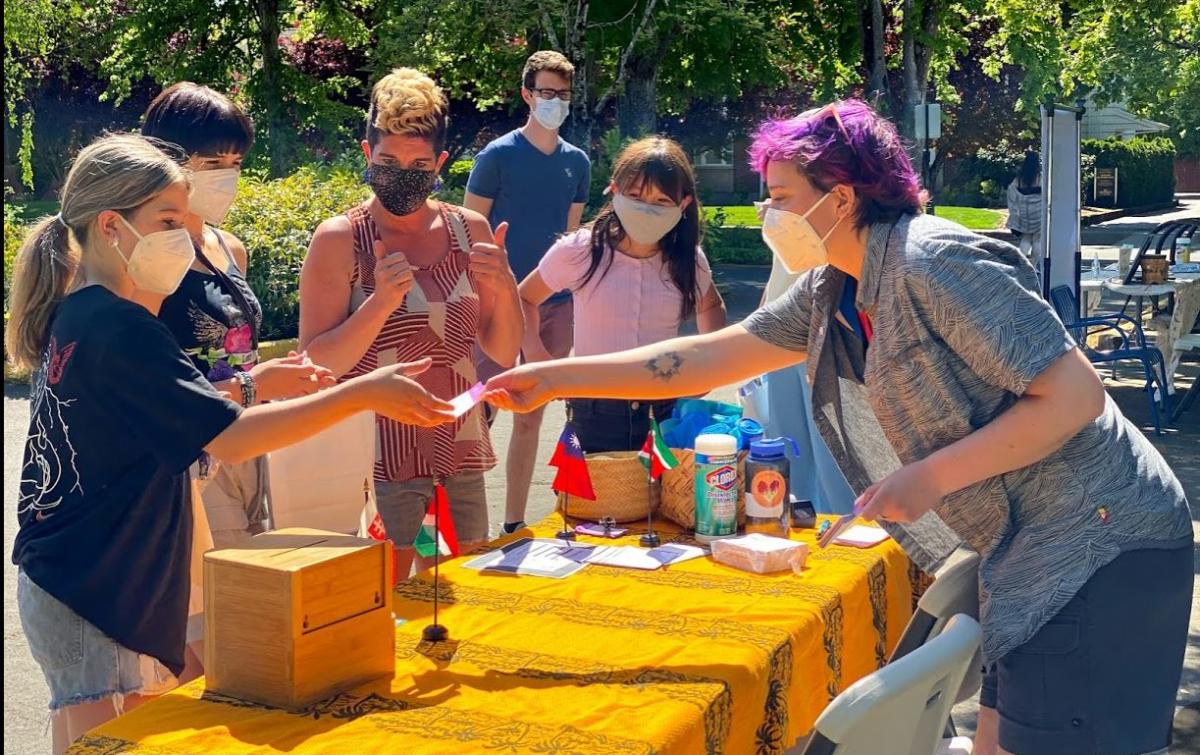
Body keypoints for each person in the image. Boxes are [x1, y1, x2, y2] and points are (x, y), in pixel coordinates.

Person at [483, 101, 1192, 755]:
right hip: (1027, 556)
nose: (768, 212)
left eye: (782, 197)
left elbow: (1075, 396)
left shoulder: (937, 260)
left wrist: (929, 476)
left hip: (1102, 544)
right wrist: (555, 376)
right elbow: (706, 357)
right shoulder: (833, 288)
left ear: (842, 198)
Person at [6, 133, 454, 753]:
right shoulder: (121, 324)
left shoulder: (88, 312)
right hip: (94, 586)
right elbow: (233, 440)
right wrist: (359, 394)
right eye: (167, 221)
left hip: (85, 578)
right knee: (108, 739)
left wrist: (255, 382)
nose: (184, 238)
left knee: (96, 737)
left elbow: (170, 412)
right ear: (111, 226)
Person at [300, 68, 522, 580]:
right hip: (376, 453)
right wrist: (380, 302)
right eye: (389, 161)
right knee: (389, 600)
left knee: (460, 594)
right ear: (367, 155)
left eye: (420, 163)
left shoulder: (471, 230)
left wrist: (506, 286)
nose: (404, 173)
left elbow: (501, 351)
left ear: (441, 162)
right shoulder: (340, 239)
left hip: (458, 441)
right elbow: (315, 363)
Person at [141, 82, 320, 549]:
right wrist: (260, 383)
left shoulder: (228, 246)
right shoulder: (150, 258)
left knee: (254, 593)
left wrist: (273, 382)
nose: (229, 176)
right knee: (213, 604)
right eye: (212, 163)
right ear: (167, 160)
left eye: (236, 163)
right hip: (193, 455)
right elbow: (156, 389)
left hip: (248, 441)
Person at [518, 136, 725, 451]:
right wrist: (537, 357)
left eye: (661, 202)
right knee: (594, 499)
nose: (646, 209)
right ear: (614, 191)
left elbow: (710, 305)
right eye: (636, 196)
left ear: (683, 204)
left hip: (665, 408)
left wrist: (709, 370)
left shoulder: (688, 260)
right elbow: (524, 298)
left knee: (667, 500)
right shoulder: (580, 250)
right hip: (594, 409)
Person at [464, 50, 591, 533]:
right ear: (526, 95)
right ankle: (464, 527)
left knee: (531, 413)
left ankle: (513, 525)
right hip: (495, 306)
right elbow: (471, 234)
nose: (554, 101)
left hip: (553, 306)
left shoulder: (577, 163)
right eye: (546, 92)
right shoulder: (496, 157)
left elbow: (571, 244)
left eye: (562, 95)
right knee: (478, 411)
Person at [1006, 150, 1042, 269]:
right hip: (1039, 214)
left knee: (1026, 238)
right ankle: (1033, 265)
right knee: (1038, 240)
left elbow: (1011, 192)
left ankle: (1021, 264)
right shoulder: (1040, 177)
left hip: (1025, 214)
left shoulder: (1020, 178)